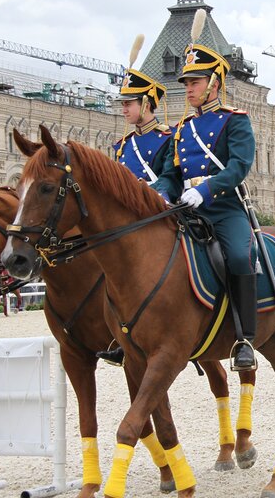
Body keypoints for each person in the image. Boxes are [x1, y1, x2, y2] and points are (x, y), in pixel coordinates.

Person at [150, 40, 258, 371]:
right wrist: (157, 192)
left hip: (223, 208)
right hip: (186, 208)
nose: (189, 89)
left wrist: (207, 189)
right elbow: (171, 174)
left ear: (214, 83)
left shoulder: (234, 120)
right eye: (186, 83)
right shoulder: (181, 129)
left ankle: (245, 339)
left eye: (195, 82)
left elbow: (239, 166)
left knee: (240, 256)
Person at [96, 53, 171, 366]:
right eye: (122, 103)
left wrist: (149, 195)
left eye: (129, 102)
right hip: (126, 227)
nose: (123, 108)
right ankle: (120, 334)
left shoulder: (169, 138)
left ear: (148, 103)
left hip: (158, 216)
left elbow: (170, 177)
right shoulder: (122, 147)